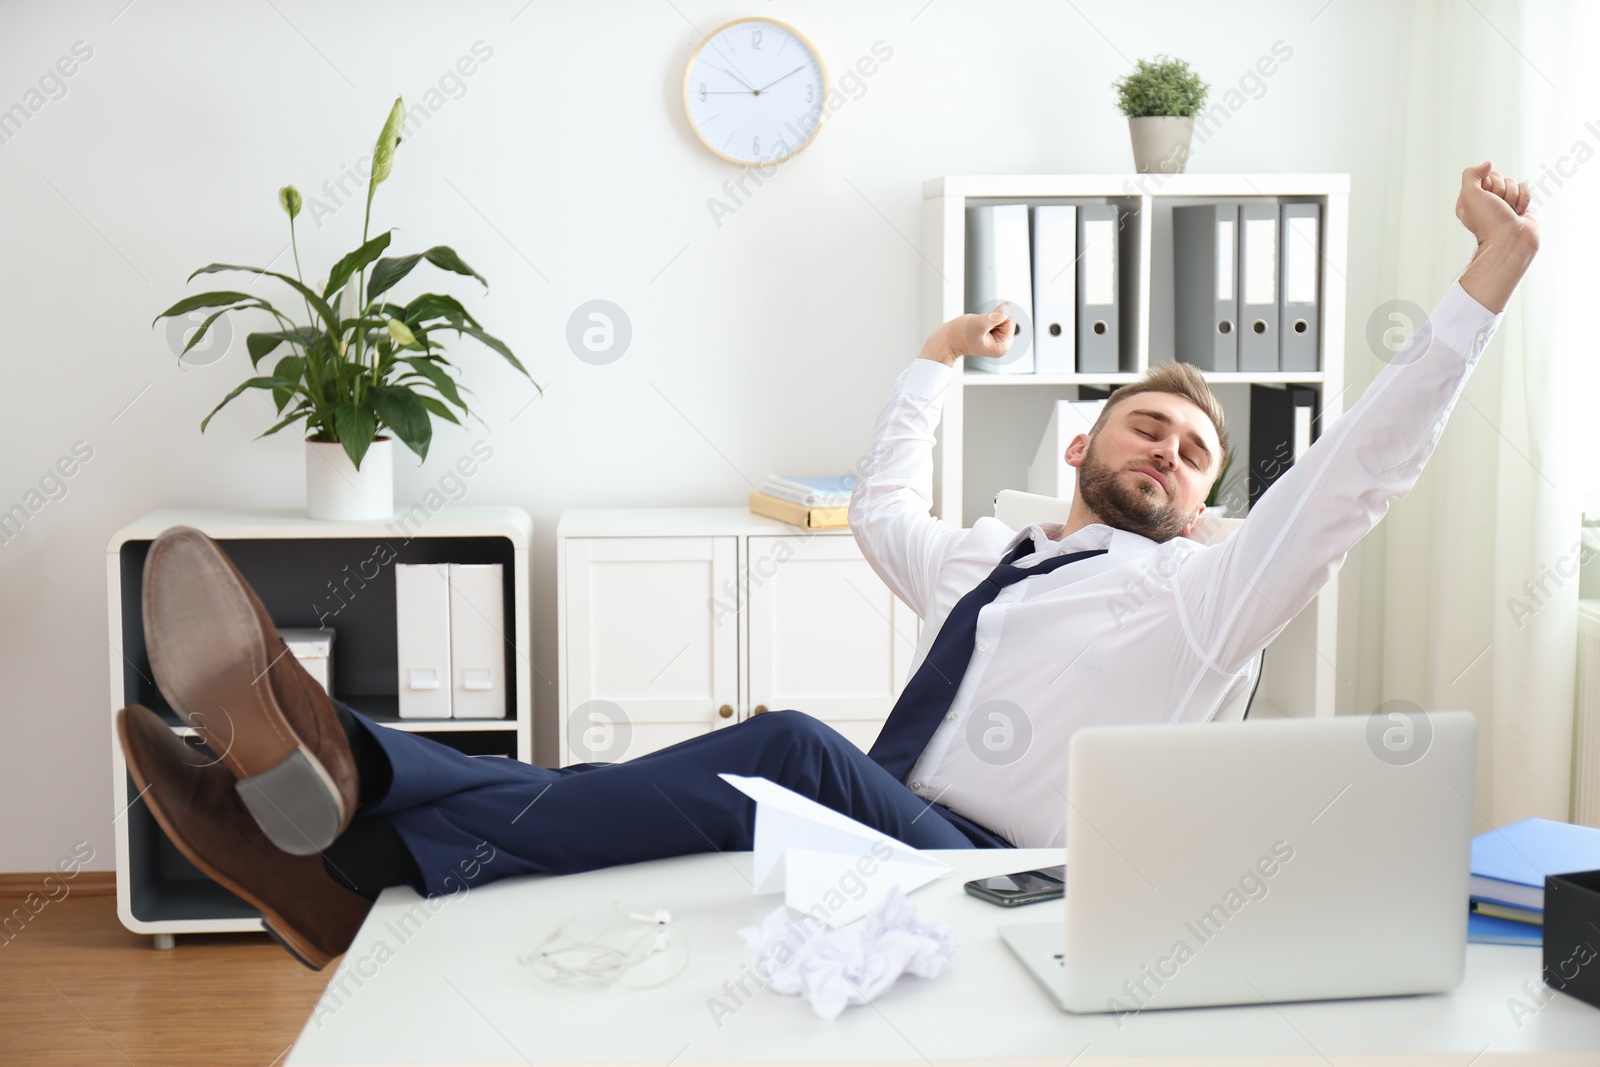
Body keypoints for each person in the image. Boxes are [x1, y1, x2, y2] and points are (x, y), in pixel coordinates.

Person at [117, 162, 1538, 970]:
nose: (1171, 455)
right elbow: (876, 511)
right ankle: (343, 849)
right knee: (731, 772)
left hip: (1001, 879)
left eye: (1196, 456)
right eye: (1147, 428)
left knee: (793, 738)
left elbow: (1354, 478)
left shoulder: (1204, 600)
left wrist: (1481, 289)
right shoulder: (984, 567)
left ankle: (356, 785)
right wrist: (928, 364)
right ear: (1083, 447)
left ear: (1213, 501)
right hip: (884, 840)